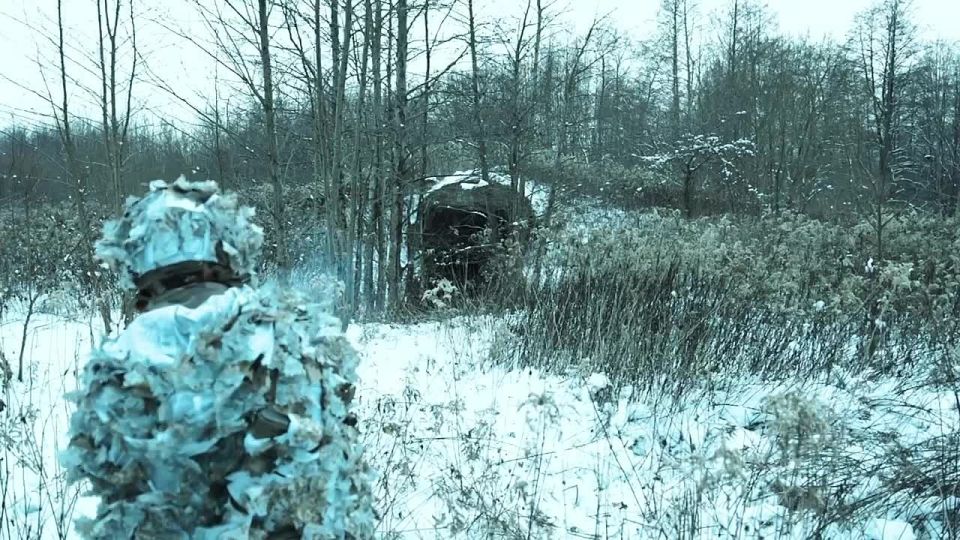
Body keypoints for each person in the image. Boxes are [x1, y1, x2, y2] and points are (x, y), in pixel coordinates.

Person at [61, 177, 374, 539]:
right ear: (225, 250)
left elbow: (115, 498)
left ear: (137, 264)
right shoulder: (295, 336)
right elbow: (342, 483)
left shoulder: (111, 369)